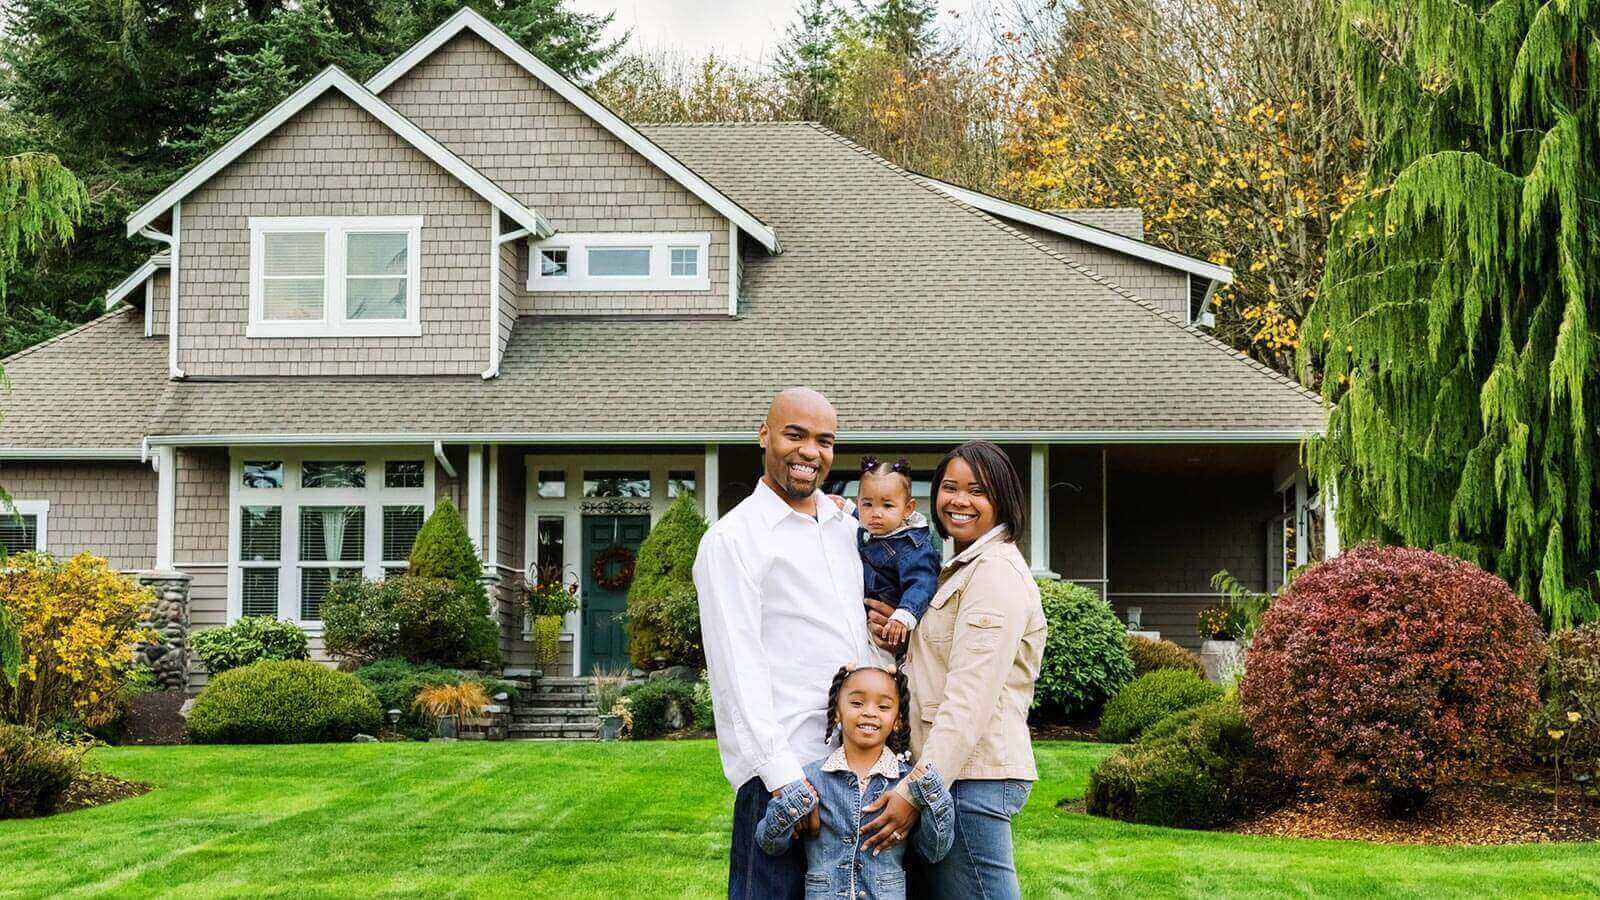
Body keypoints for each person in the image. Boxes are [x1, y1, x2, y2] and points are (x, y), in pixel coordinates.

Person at [693, 387, 879, 900]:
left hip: (854, 770)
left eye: (824, 441)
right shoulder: (733, 540)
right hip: (783, 775)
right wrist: (784, 781)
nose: (810, 452)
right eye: (795, 435)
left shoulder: (846, 527)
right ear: (764, 436)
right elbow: (737, 672)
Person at [858, 440, 1048, 900]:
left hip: (970, 779)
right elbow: (941, 667)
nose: (960, 500)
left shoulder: (993, 573)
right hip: (950, 775)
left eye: (977, 491)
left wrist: (915, 791)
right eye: (950, 487)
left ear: (1003, 499)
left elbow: (969, 699)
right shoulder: (960, 568)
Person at [755, 664, 954, 900]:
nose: (869, 712)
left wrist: (931, 792)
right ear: (837, 712)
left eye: (883, 706)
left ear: (898, 720)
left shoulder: (907, 785)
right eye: (857, 703)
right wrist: (795, 802)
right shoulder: (809, 779)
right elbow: (770, 842)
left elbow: (935, 851)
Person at [853, 457, 940, 655]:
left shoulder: (912, 547)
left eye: (887, 506)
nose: (876, 513)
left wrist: (904, 614)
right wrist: (845, 508)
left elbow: (922, 584)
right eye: (867, 504)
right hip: (863, 625)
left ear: (907, 509)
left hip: (892, 625)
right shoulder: (870, 529)